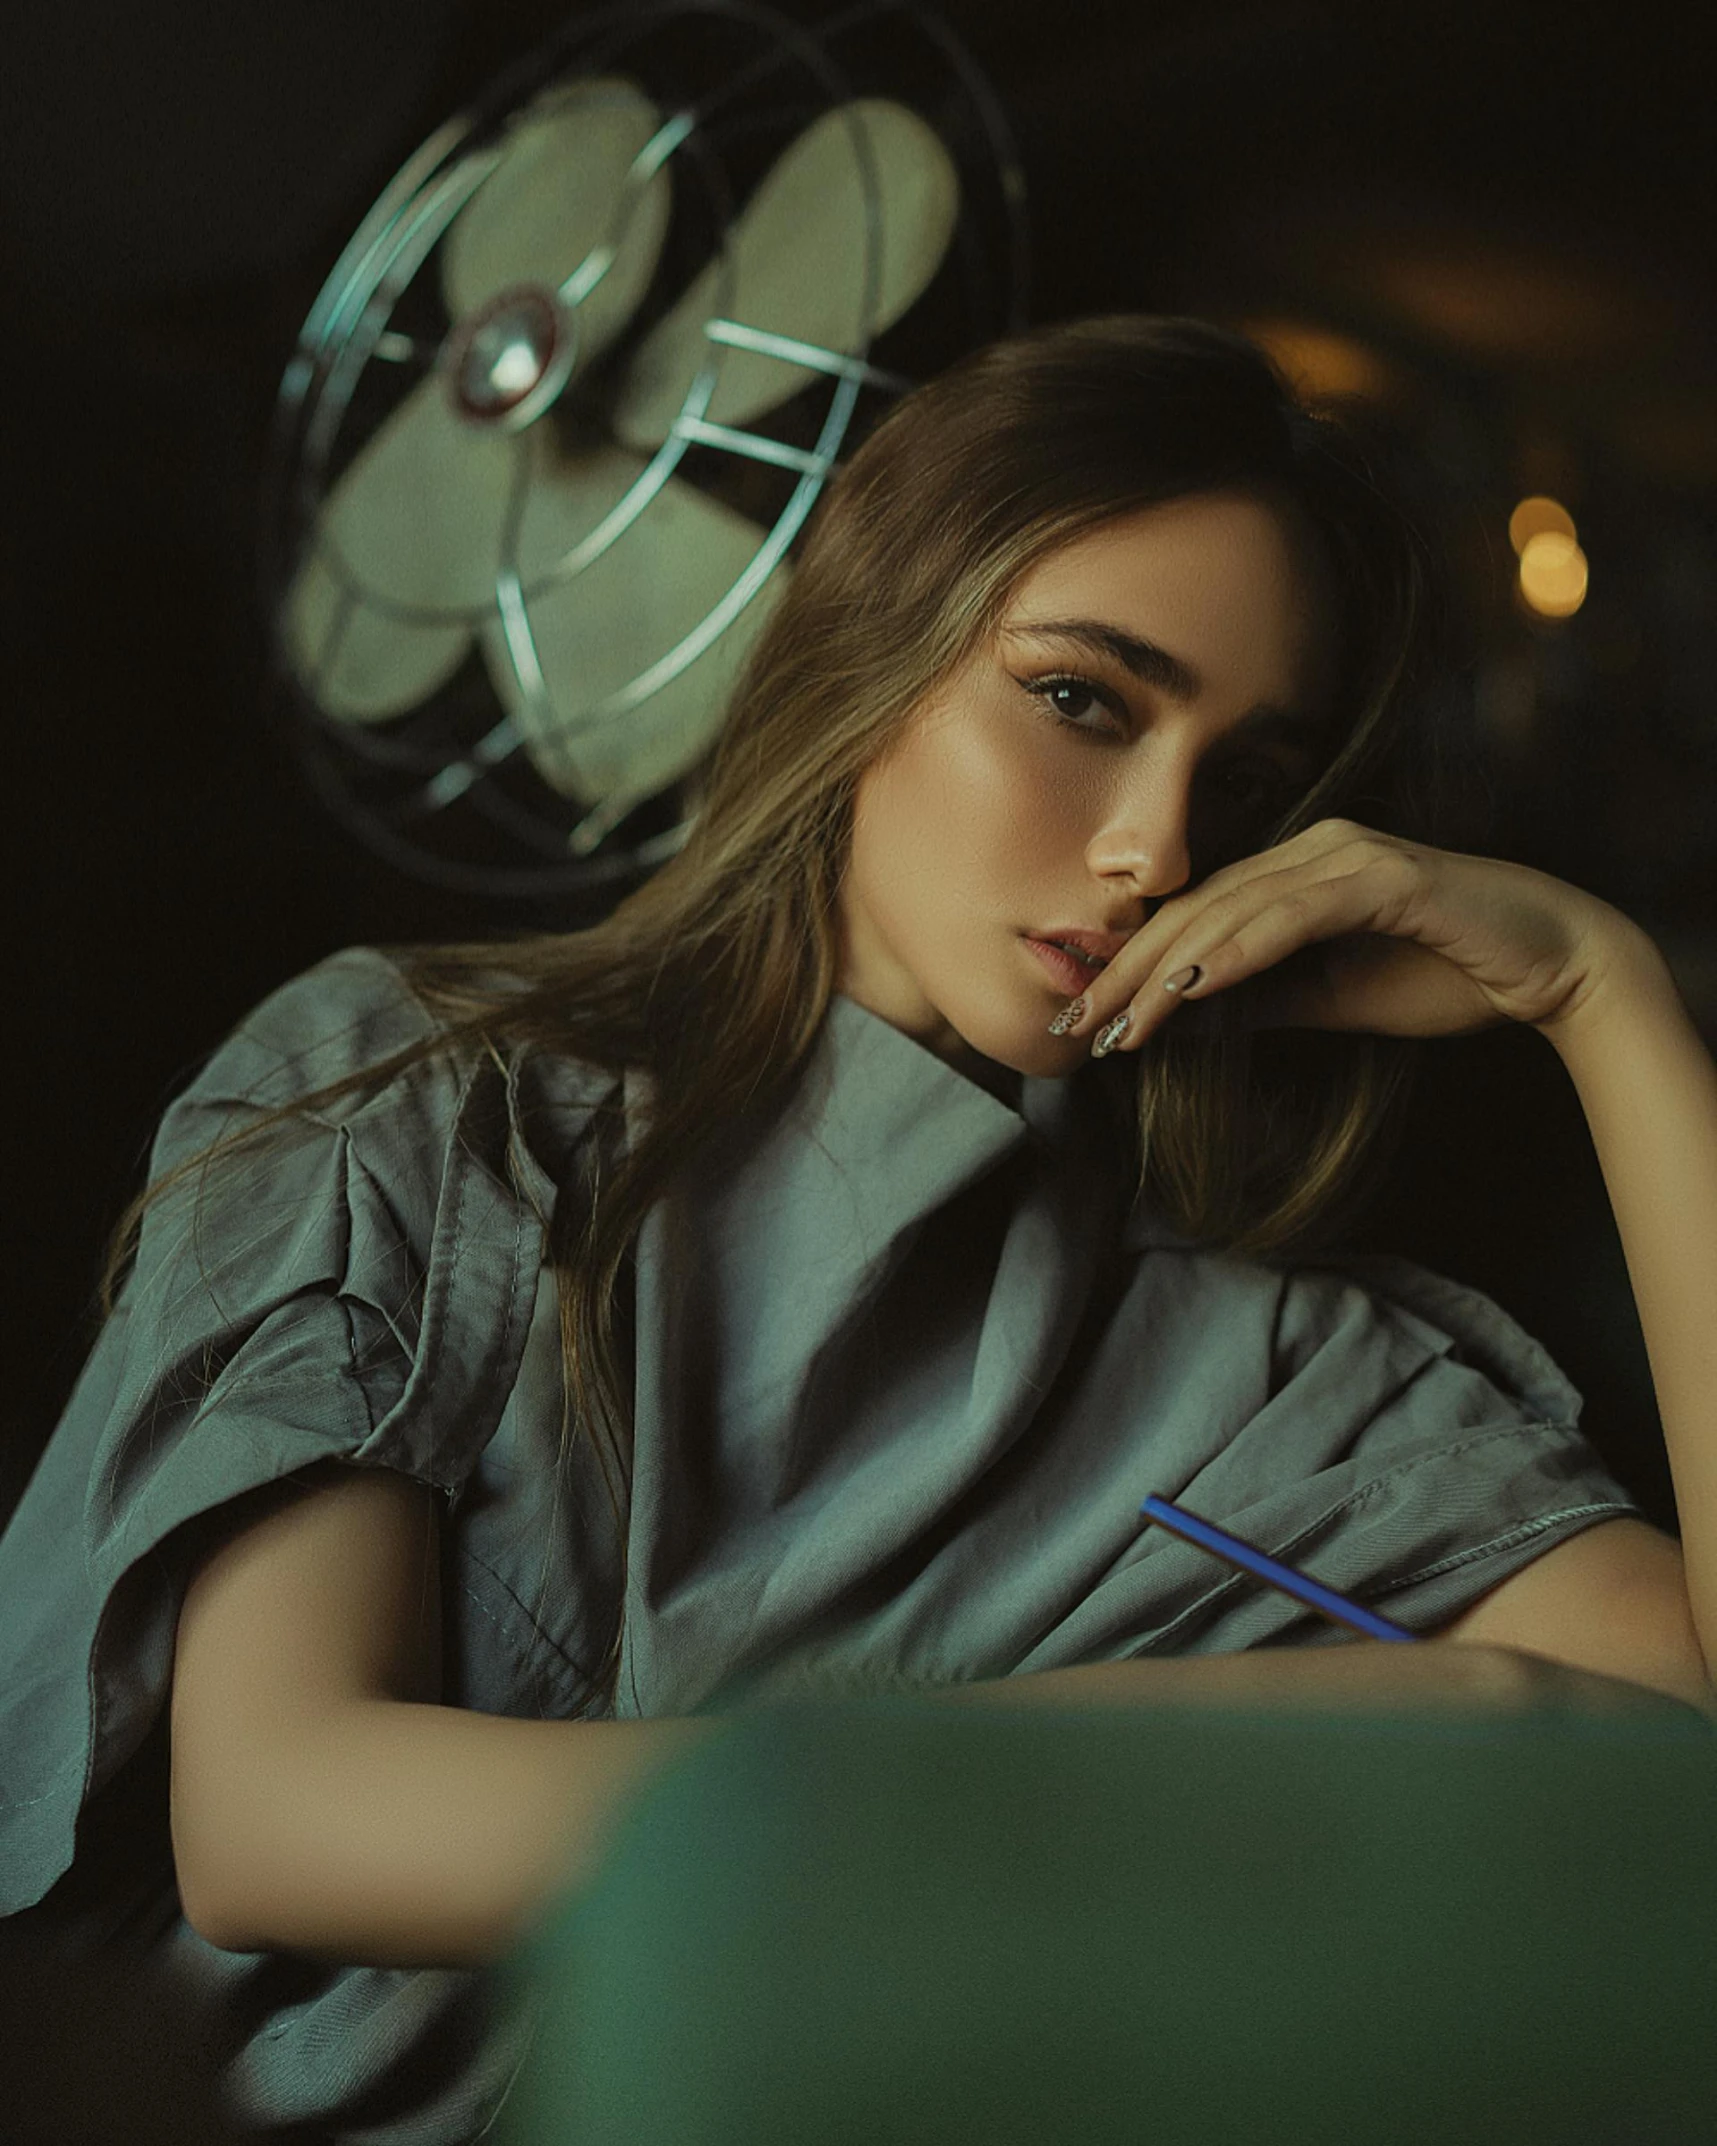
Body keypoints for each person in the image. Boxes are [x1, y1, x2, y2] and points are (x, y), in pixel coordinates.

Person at [2, 315, 1713, 2145]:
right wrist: (1437, 1713)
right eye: (1082, 698)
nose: (1156, 844)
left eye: (1247, 780)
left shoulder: (1280, 1373)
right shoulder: (423, 1088)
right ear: (868, 652)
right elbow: (284, 1817)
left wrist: (1603, 1003)